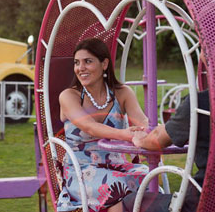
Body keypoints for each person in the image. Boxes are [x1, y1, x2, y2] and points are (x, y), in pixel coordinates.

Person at [56, 38, 150, 212]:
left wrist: (148, 132)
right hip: (81, 170)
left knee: (149, 178)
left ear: (104, 64)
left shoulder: (122, 93)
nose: (80, 68)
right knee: (116, 187)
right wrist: (127, 135)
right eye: (77, 63)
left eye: (88, 61)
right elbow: (90, 127)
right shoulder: (69, 96)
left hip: (117, 164)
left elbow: (142, 122)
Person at [110, 89, 210, 212]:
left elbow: (156, 140)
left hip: (200, 203)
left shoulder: (200, 103)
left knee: (124, 205)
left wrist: (140, 141)